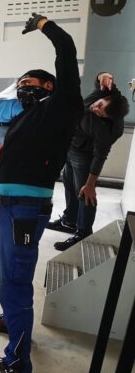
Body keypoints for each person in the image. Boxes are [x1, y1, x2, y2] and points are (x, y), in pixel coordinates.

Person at [0, 13, 83, 373]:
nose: (23, 88)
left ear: (50, 86)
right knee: (9, 276)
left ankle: (17, 365)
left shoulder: (62, 105)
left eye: (30, 83)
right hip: (11, 205)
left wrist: (44, 26)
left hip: (25, 208)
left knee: (16, 280)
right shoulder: (26, 114)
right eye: (20, 84)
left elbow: (66, 51)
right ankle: (13, 318)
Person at [47, 72, 129, 250]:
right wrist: (103, 75)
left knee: (85, 194)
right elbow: (102, 80)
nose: (95, 107)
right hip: (72, 144)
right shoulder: (108, 96)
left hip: (85, 155)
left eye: (100, 111)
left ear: (109, 118)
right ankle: (69, 220)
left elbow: (100, 156)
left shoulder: (107, 132)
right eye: (99, 104)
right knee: (69, 183)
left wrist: (91, 184)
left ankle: (83, 232)